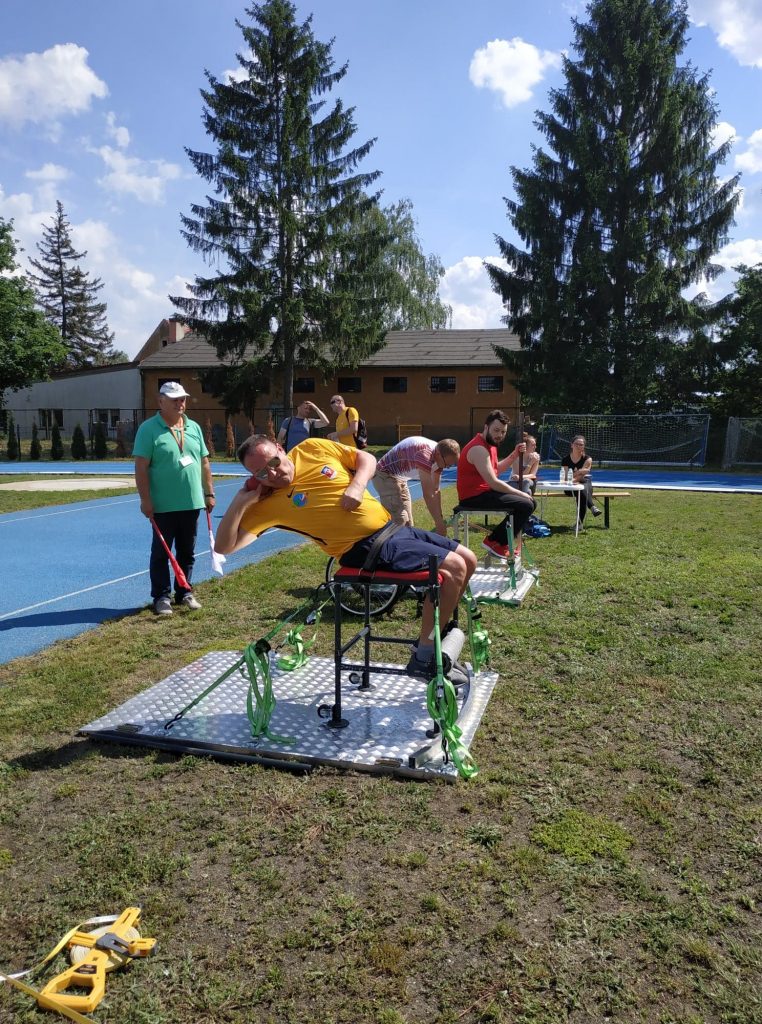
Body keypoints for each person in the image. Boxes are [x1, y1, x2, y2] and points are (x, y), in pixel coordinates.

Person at [215, 435, 478, 683]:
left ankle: (436, 637)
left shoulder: (311, 448)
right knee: (454, 567)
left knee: (469, 558)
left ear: (279, 448)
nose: (271, 474)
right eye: (261, 473)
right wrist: (240, 501)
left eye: (273, 462)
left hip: (392, 530)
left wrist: (357, 484)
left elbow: (367, 459)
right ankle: (424, 657)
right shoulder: (266, 504)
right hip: (363, 548)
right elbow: (224, 546)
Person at [133, 381, 215, 615]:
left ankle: (184, 591)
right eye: (174, 399)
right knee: (161, 553)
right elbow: (140, 467)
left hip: (191, 503)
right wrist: (145, 500)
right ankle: (161, 596)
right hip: (162, 505)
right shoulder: (149, 429)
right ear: (161, 402)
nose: (180, 403)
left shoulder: (194, 428)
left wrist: (209, 492)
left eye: (183, 399)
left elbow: (204, 462)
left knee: (187, 551)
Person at [456, 410, 535, 559]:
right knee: (527, 504)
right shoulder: (479, 448)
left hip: (484, 493)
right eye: (496, 430)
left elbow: (495, 470)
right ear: (486, 427)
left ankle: (498, 542)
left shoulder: (490, 444)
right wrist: (521, 493)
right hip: (474, 498)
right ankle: (495, 542)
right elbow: (493, 482)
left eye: (503, 432)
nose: (500, 434)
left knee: (527, 503)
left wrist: (514, 454)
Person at [374, 436, 460, 535]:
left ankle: (408, 546)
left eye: (450, 465)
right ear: (438, 454)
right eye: (447, 464)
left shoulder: (440, 458)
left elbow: (435, 490)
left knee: (409, 523)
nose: (447, 467)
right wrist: (439, 523)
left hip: (400, 478)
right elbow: (428, 494)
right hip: (384, 474)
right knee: (400, 520)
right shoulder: (424, 455)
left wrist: (440, 518)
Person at [561, 435, 602, 523]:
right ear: (571, 445)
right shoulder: (565, 459)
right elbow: (565, 477)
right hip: (569, 487)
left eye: (581, 445)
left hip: (583, 482)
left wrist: (573, 477)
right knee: (582, 489)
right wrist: (579, 471)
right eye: (577, 444)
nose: (579, 446)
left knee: (582, 489)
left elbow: (581, 476)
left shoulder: (587, 459)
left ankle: (579, 524)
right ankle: (592, 507)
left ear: (584, 446)